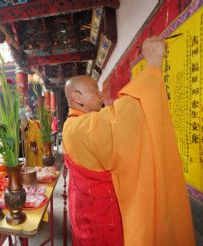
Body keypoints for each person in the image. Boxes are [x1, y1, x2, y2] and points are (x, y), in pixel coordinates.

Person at [62, 37, 195, 245]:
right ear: (77, 97)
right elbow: (125, 116)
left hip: (86, 212)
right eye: (95, 89)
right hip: (101, 220)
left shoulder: (73, 124)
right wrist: (152, 66)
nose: (100, 94)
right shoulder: (80, 127)